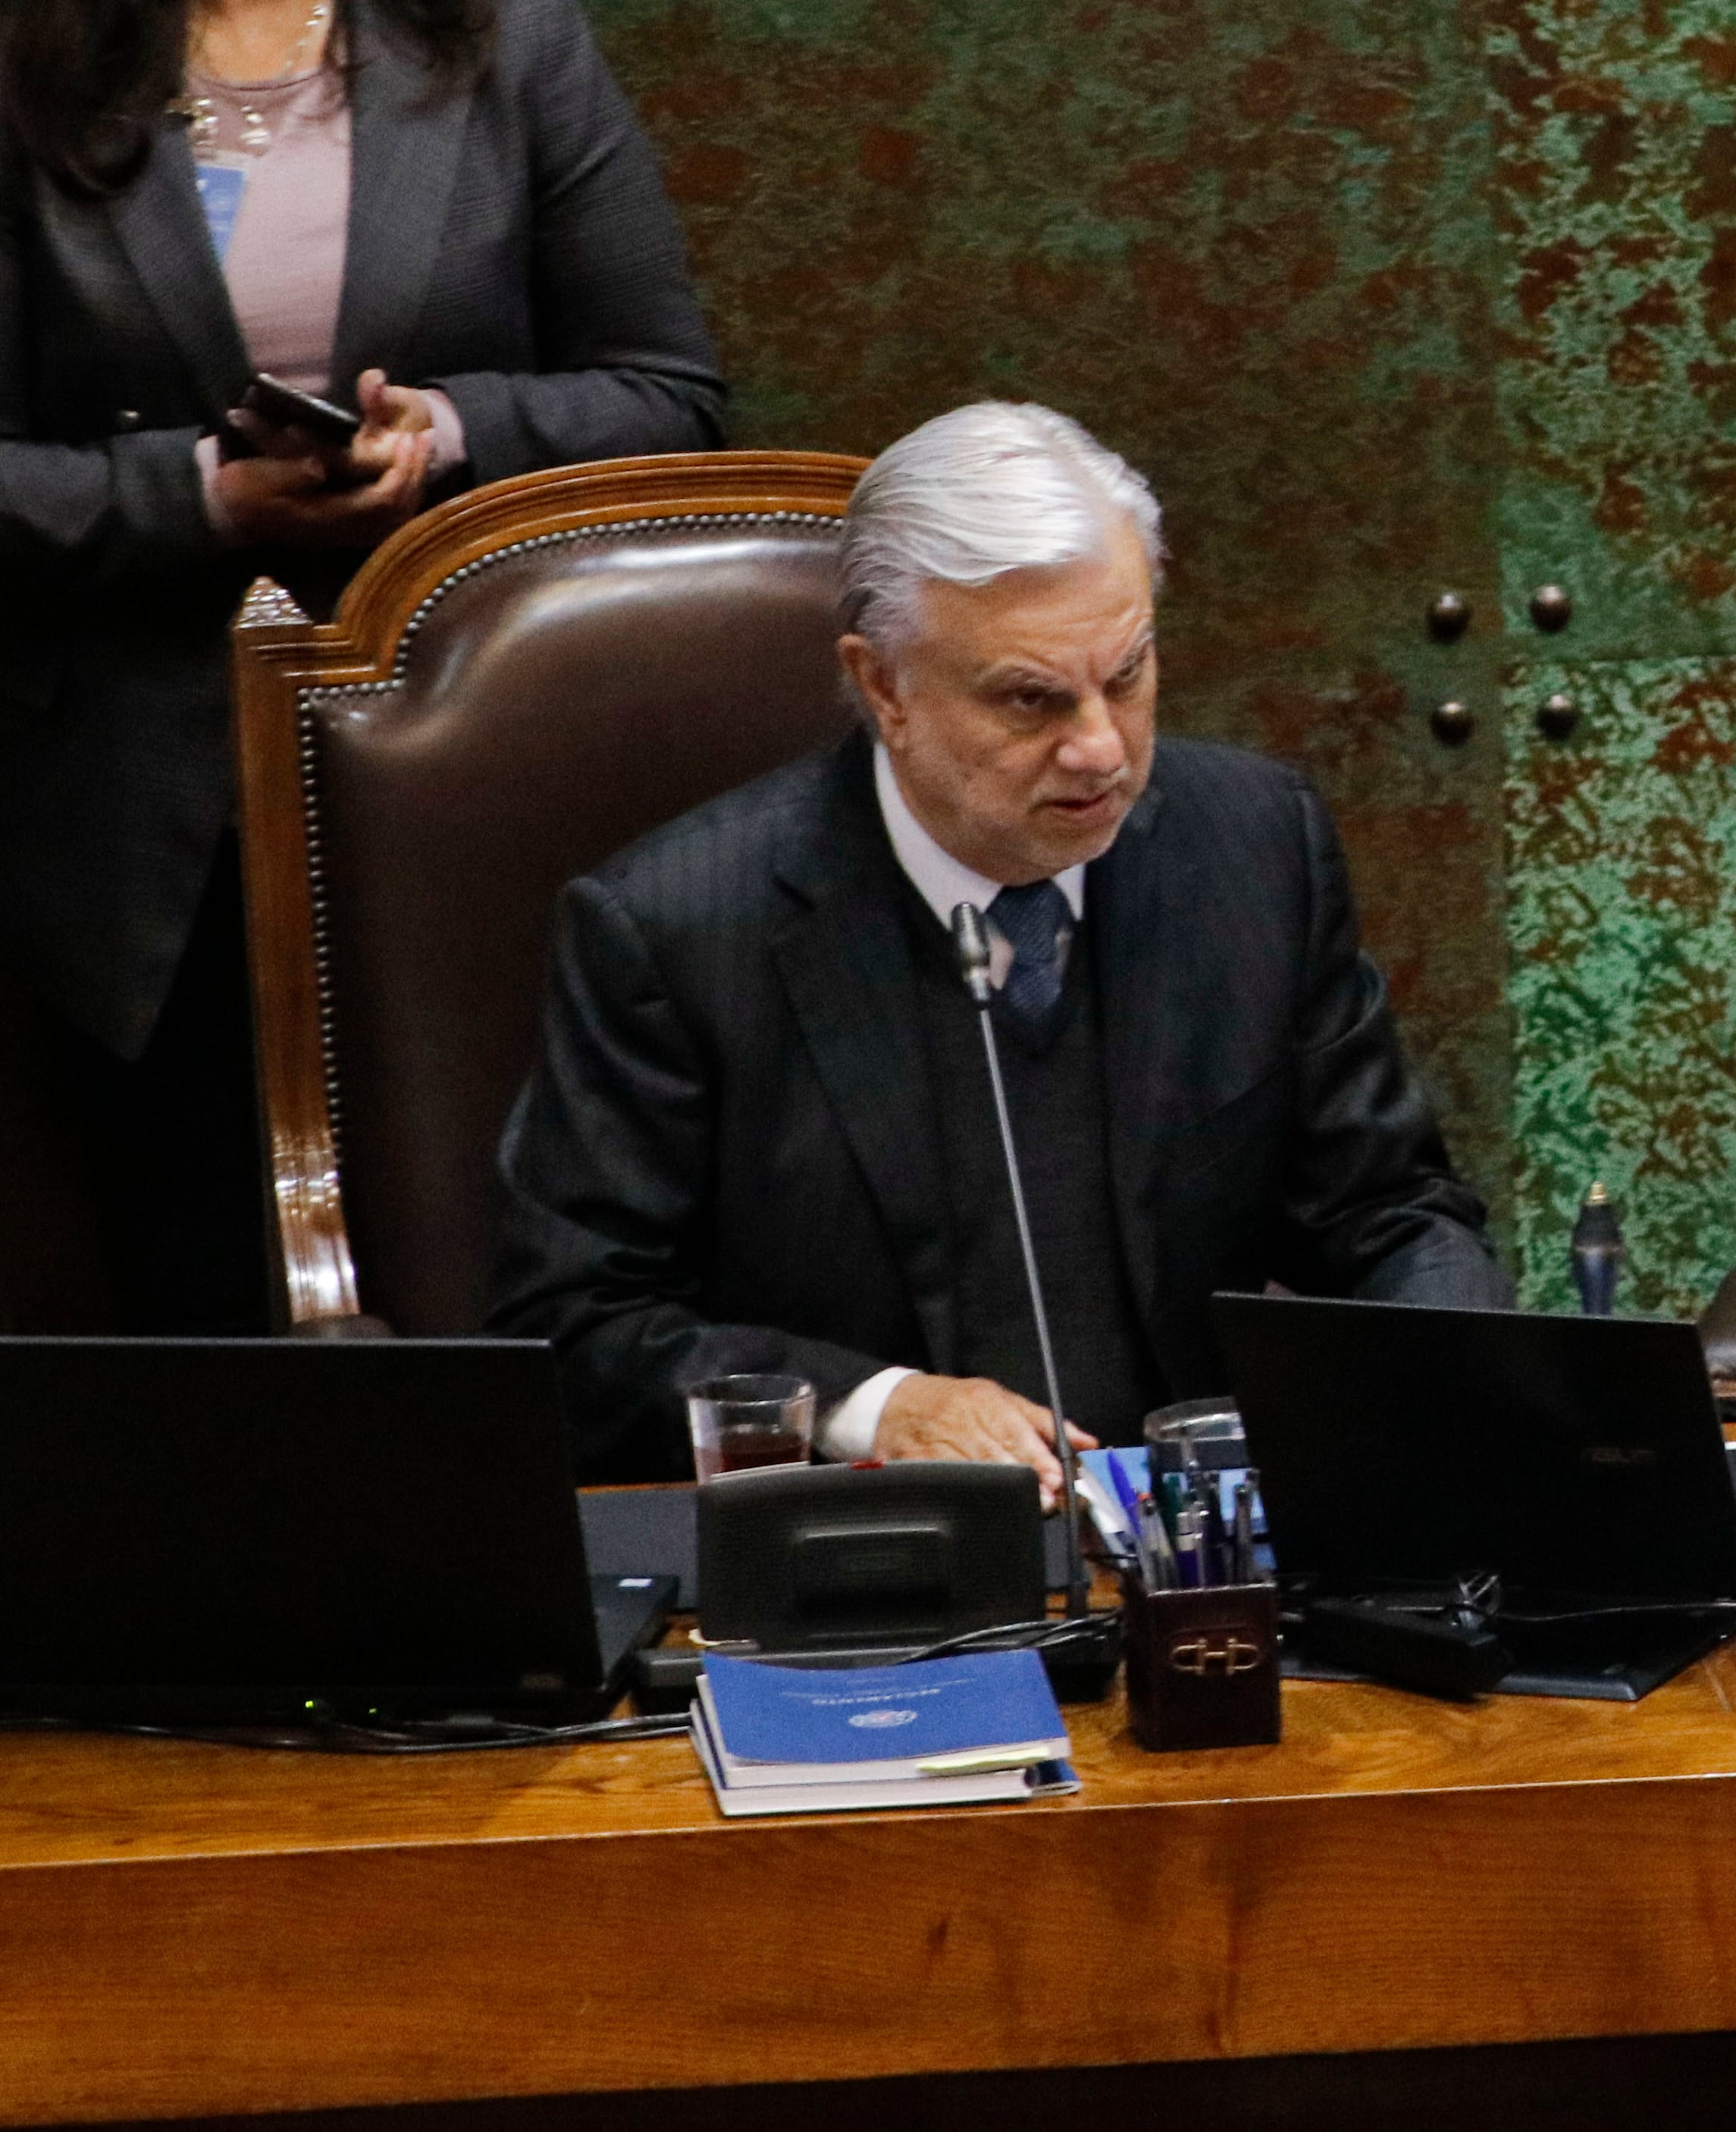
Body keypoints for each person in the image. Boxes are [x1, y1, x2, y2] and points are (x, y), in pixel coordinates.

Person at [488, 403, 1510, 1489]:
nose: (1101, 749)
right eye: (1032, 700)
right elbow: (575, 1328)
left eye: (1127, 675)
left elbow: (1385, 1210)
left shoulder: (1255, 848)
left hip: (1203, 1552)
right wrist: (869, 1406)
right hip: (875, 1566)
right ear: (885, 685)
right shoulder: (678, 930)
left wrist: (1449, 1376)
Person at [0, 0, 724, 1332]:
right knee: (217, 1327)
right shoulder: (29, 57)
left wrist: (441, 436)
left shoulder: (511, 43)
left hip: (482, 780)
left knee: (517, 1285)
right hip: (142, 833)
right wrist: (201, 498)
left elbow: (666, 391)